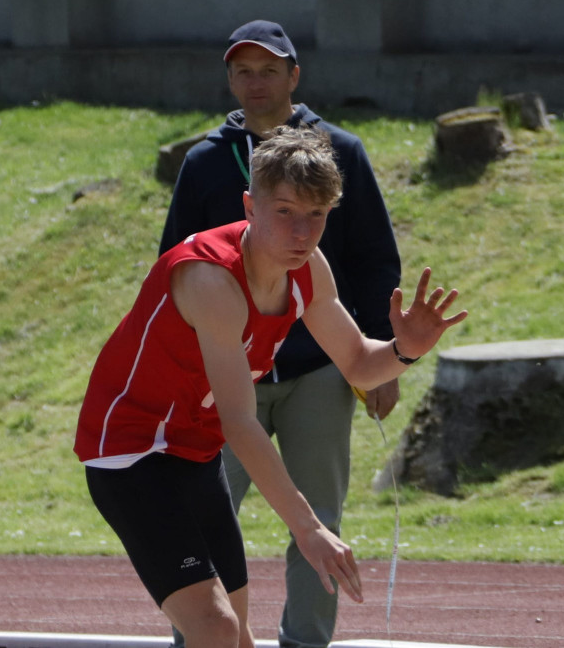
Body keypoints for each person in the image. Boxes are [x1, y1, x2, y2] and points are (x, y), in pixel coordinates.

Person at [75, 127, 467, 648]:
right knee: (214, 628)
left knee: (237, 638)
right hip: (132, 452)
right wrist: (308, 527)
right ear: (249, 206)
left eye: (316, 215)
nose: (302, 233)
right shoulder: (211, 281)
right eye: (284, 211)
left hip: (195, 450)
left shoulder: (308, 270)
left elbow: (357, 363)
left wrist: (405, 350)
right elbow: (240, 422)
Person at [159, 19, 402, 648]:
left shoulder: (340, 152)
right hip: (223, 378)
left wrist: (381, 357)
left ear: (295, 76)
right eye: (243, 71)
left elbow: (374, 258)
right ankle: (201, 641)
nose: (256, 82)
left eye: (269, 70)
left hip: (317, 368)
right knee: (206, 522)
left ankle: (306, 643)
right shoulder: (205, 162)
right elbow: (173, 268)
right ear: (230, 81)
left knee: (318, 520)